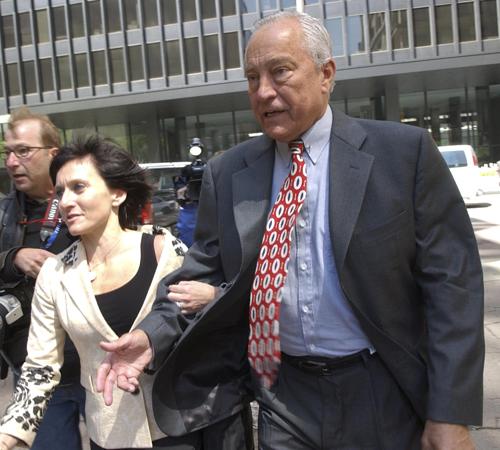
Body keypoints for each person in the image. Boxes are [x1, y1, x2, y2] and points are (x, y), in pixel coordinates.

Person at [97, 10, 484, 450]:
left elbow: (453, 289)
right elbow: (199, 272)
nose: (264, 92)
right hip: (283, 395)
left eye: (280, 71)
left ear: (326, 74)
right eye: (252, 78)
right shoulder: (230, 173)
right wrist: (150, 334)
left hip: (383, 389)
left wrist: (450, 413)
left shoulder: (402, 155)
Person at [0, 134, 217, 450]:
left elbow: (201, 328)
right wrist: (12, 432)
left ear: (117, 193)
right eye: (60, 192)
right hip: (110, 434)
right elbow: (40, 366)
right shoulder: (54, 274)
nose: (66, 201)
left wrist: (211, 297)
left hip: (181, 427)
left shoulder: (165, 251)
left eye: (79, 187)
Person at [0, 108, 85, 450]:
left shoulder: (83, 200)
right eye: (8, 152)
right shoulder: (5, 211)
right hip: (37, 372)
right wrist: (12, 258)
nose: (12, 161)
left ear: (53, 153)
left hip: (97, 363)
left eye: (23, 150)